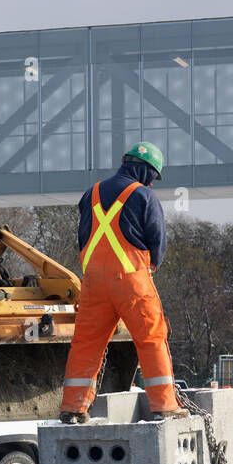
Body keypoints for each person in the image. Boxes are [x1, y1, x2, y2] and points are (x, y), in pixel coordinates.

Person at [61, 141, 183, 423]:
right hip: (131, 281)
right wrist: (150, 266)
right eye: (153, 177)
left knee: (86, 344)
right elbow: (157, 240)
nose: (152, 183)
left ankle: (73, 409)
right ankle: (164, 406)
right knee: (151, 338)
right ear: (146, 171)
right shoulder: (143, 195)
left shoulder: (90, 194)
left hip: (92, 283)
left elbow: (83, 238)